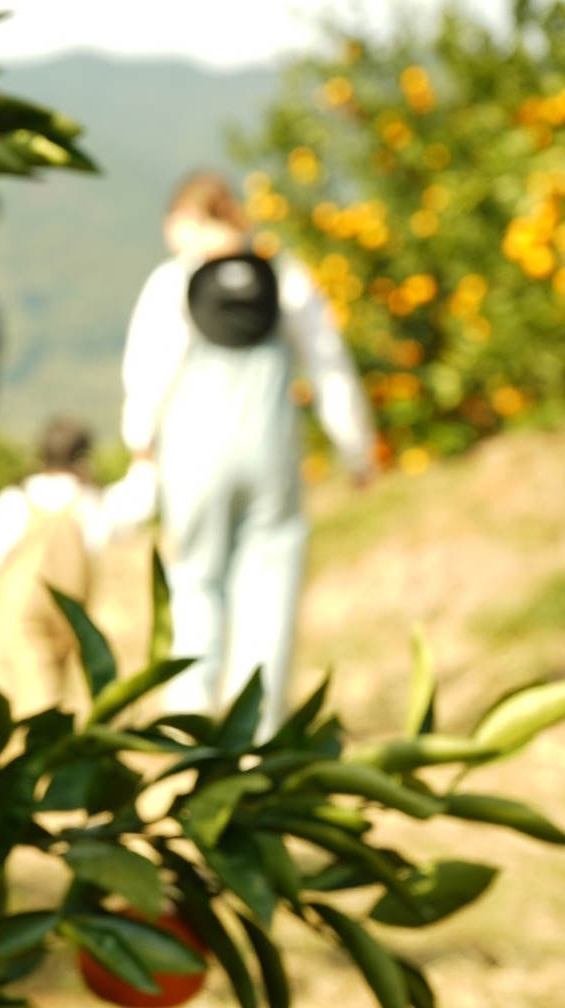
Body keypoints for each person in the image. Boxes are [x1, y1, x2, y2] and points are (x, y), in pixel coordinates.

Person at [118, 170, 376, 741]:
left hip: (193, 458)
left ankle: (188, 723)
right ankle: (258, 733)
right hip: (270, 455)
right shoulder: (282, 274)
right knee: (270, 591)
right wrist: (357, 448)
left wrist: (140, 446)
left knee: (194, 583)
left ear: (184, 219)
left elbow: (147, 373)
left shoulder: (174, 281)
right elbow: (329, 365)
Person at [0, 419, 111, 717]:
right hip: (74, 607)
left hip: (23, 608)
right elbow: (106, 538)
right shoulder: (88, 500)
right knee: (61, 680)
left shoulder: (19, 498)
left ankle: (43, 736)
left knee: (35, 683)